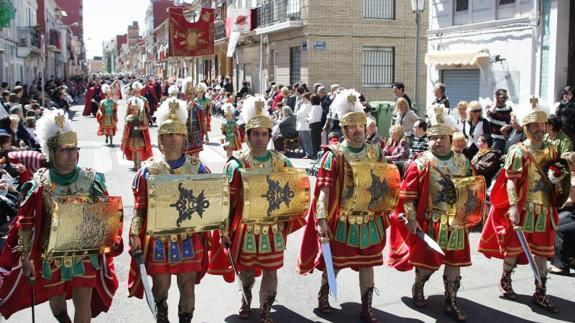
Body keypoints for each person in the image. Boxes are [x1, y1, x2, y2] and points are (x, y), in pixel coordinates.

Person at [0, 109, 122, 322]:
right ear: (52, 152)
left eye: (74, 149)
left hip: (85, 252)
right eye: (65, 150)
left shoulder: (91, 180)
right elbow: (25, 223)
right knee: (57, 305)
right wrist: (25, 257)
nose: (72, 155)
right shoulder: (39, 184)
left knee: (82, 303)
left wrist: (112, 237)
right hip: (52, 256)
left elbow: (108, 217)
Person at [297, 89, 393, 323]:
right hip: (342, 220)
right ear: (344, 128)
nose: (357, 130)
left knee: (368, 264)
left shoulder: (375, 151)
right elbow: (324, 191)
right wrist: (321, 221)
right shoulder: (334, 154)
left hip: (368, 218)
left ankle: (367, 307)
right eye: (352, 126)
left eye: (360, 125)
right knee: (336, 263)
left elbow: (384, 182)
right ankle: (324, 294)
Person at [209, 95, 306, 323]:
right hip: (246, 230)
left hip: (272, 229)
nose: (260, 138)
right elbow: (226, 201)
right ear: (248, 135)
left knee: (271, 271)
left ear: (268, 136)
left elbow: (296, 188)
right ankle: (246, 297)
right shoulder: (237, 164)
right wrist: (224, 231)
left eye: (264, 134)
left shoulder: (281, 162)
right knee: (248, 272)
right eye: (256, 134)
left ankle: (265, 311)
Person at [478, 98, 570, 314]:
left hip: (545, 209)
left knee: (542, 252)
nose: (539, 129)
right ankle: (506, 279)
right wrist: (512, 208)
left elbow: (559, 174)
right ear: (527, 128)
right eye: (535, 125)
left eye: (542, 125)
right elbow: (510, 180)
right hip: (524, 208)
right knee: (514, 248)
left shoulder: (552, 150)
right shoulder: (518, 151)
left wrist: (560, 188)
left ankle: (540, 291)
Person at [388, 107, 478, 322]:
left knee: (454, 263)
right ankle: (419, 286)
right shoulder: (420, 163)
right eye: (433, 137)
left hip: (456, 223)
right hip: (431, 222)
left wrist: (471, 215)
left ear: (450, 138)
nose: (438, 141)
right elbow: (408, 195)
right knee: (426, 264)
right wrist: (410, 219)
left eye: (442, 137)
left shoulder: (463, 162)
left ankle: (451, 299)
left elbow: (472, 192)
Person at [128, 94, 210, 323]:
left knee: (187, 287)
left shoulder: (198, 168)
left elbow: (212, 203)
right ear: (160, 139)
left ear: (184, 138)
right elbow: (139, 208)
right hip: (158, 239)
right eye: (167, 135)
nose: (173, 139)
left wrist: (220, 228)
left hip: (189, 236)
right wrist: (134, 233)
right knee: (160, 289)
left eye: (177, 134)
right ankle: (162, 317)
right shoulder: (147, 171)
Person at [120, 90, 153, 170]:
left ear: (139, 109)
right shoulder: (129, 117)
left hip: (139, 138)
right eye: (133, 109)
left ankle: (138, 165)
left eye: (136, 109)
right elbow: (126, 129)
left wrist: (140, 128)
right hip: (131, 138)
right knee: (133, 152)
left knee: (138, 152)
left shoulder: (142, 117)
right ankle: (135, 165)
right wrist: (124, 137)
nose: (134, 111)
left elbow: (146, 126)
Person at [182, 77, 205, 157]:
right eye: (188, 94)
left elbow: (202, 122)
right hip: (185, 133)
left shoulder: (198, 107)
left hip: (196, 133)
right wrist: (187, 109)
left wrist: (205, 134)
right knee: (185, 157)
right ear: (185, 94)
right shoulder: (181, 106)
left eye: (191, 94)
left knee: (195, 158)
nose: (190, 96)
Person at [295, 92, 313, 158]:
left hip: (305, 124)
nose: (301, 99)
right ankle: (305, 152)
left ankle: (309, 153)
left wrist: (299, 113)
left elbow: (302, 113)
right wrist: (299, 113)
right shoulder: (303, 105)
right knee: (303, 140)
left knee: (306, 140)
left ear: (305, 98)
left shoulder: (309, 105)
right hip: (300, 124)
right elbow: (298, 112)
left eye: (302, 98)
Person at [308, 94, 324, 158]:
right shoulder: (320, 107)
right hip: (319, 124)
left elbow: (311, 119)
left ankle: (315, 156)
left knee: (314, 141)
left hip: (313, 125)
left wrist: (307, 119)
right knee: (318, 141)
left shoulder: (313, 108)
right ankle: (318, 156)